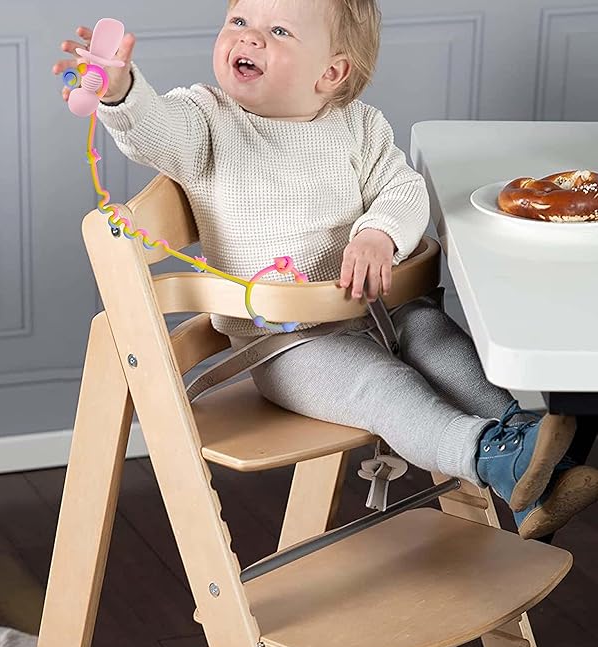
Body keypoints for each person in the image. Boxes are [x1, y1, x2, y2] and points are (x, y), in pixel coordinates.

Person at [53, 0, 598, 539]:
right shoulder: (205, 121)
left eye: (279, 31)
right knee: (384, 387)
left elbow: (404, 189)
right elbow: (154, 130)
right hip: (289, 345)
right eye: (239, 21)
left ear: (332, 72)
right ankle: (489, 455)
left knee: (438, 341)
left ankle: (530, 455)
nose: (248, 37)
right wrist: (121, 92)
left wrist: (378, 233)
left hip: (381, 310)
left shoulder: (359, 126)